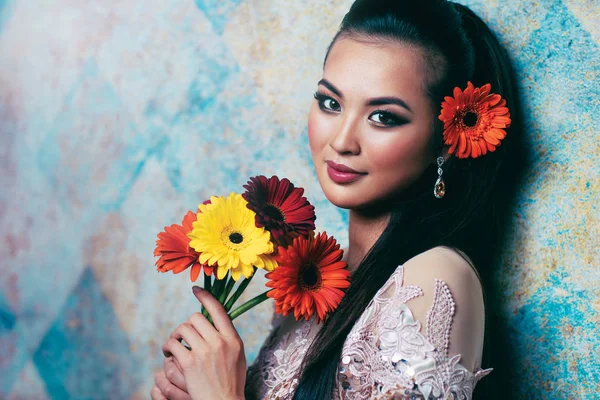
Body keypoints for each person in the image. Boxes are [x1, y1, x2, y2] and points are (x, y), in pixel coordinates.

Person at [151, 0, 525, 398]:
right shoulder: (311, 282)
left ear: (447, 141)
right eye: (331, 103)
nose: (341, 141)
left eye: (383, 116)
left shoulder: (434, 279)